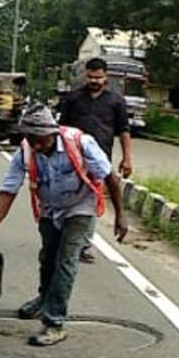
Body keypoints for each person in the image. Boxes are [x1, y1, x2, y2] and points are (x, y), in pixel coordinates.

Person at [0, 103, 128, 347]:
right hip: (50, 208)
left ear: (53, 132)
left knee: (66, 261)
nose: (36, 145)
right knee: (47, 259)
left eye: (41, 139)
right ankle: (43, 300)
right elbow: (8, 190)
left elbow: (109, 176)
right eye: (31, 138)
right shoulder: (25, 150)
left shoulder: (79, 142)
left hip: (81, 206)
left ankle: (54, 323)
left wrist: (120, 215)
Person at [58, 57, 135, 263]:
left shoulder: (116, 101)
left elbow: (124, 131)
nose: (94, 81)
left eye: (98, 77)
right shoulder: (73, 99)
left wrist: (127, 158)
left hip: (100, 160)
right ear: (86, 76)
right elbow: (61, 129)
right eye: (91, 77)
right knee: (68, 196)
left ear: (106, 77)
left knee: (91, 199)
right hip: (72, 159)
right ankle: (64, 236)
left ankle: (83, 244)